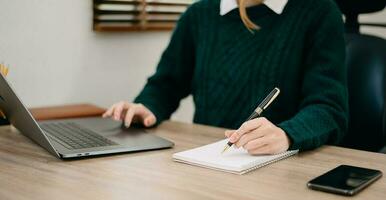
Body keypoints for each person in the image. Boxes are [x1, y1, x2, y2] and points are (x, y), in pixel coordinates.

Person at [103, 0, 348, 155]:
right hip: (208, 161)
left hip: (276, 168)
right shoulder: (199, 14)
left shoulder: (320, 12)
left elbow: (328, 108)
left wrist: (287, 134)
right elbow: (166, 84)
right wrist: (147, 107)